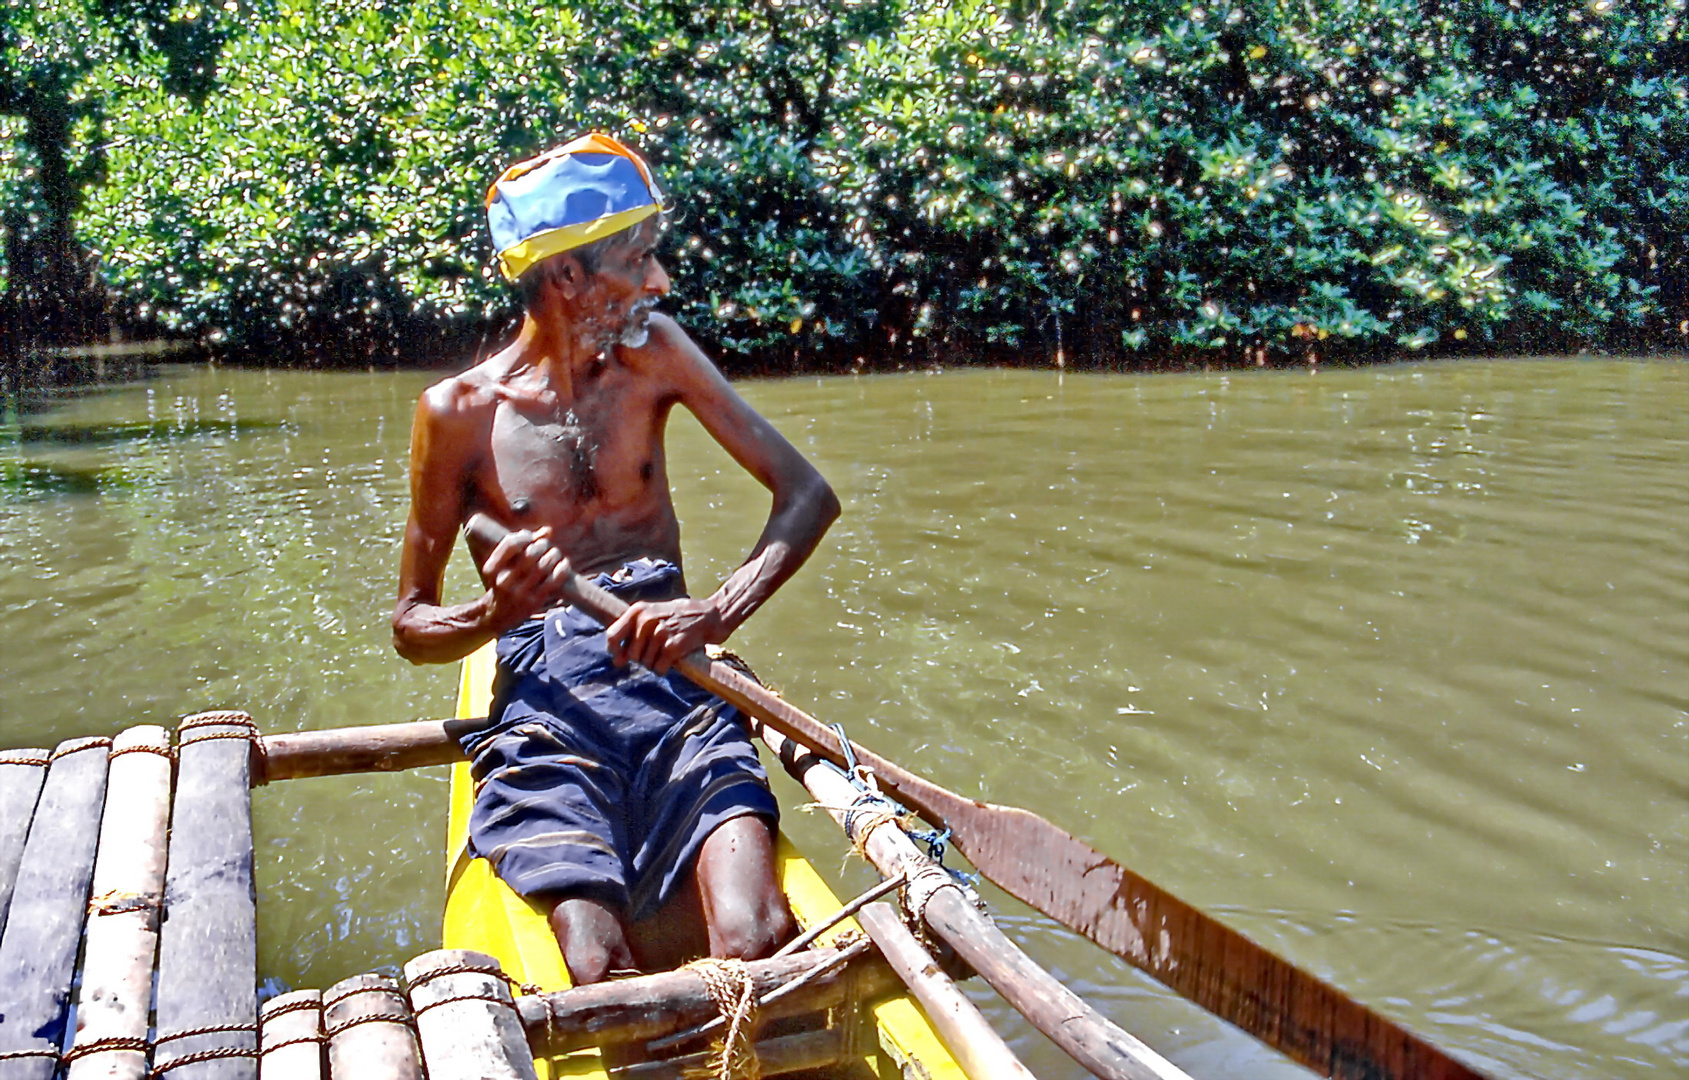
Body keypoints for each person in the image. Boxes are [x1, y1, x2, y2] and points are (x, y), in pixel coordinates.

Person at [391, 133, 840, 984]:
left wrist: (717, 610)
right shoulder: (456, 414)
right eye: (639, 259)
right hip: (546, 698)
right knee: (595, 966)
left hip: (676, 676)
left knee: (753, 936)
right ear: (567, 277)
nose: (660, 280)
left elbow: (807, 494)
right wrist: (493, 615)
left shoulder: (654, 353)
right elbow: (412, 625)